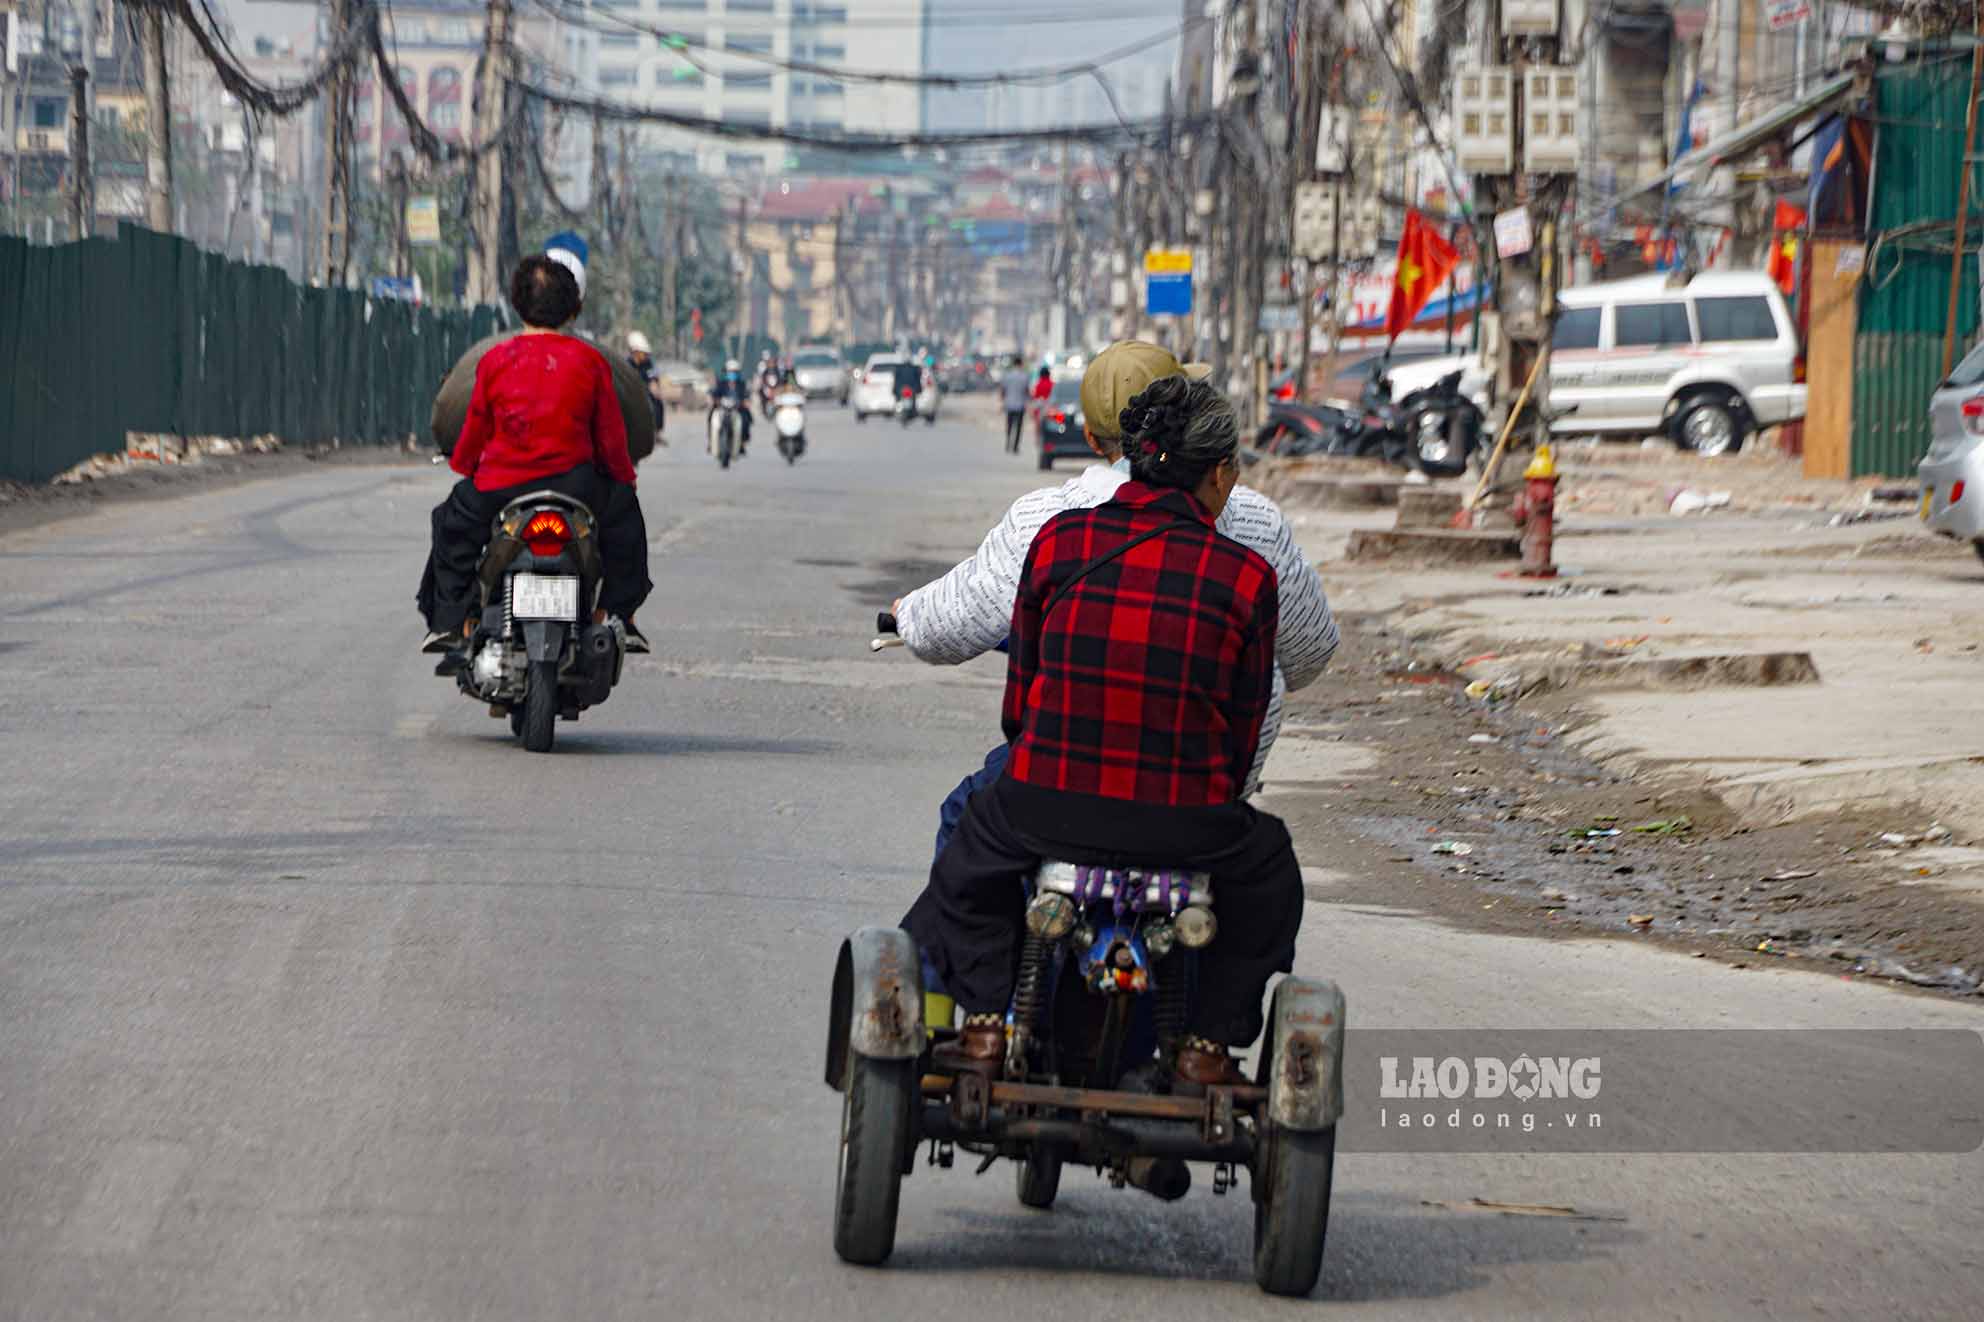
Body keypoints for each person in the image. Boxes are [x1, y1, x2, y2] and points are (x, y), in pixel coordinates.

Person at [904, 375, 1304, 1090]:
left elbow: (1020, 706)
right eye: (1234, 468)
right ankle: (1206, 1045)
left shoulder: (1058, 541)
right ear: (1216, 477)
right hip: (1189, 826)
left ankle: (988, 1026)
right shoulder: (1247, 576)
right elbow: (1244, 736)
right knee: (1271, 874)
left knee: (962, 872)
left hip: (1045, 807)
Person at [895, 340, 1339, 859]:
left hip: (1053, 792)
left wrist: (907, 616)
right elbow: (1305, 654)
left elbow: (965, 636)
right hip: (1199, 799)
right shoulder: (1251, 534)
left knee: (965, 821)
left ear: (1091, 436)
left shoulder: (1051, 526)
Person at [420, 254, 652, 660]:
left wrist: (466, 468)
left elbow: (473, 436)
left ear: (517, 303)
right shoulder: (591, 362)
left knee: (450, 524)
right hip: (576, 485)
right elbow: (612, 442)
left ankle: (451, 621)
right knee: (625, 520)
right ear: (573, 307)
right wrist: (622, 482)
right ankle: (617, 614)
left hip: (499, 487)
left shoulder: (494, 360)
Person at [626, 331, 665, 442]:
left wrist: (654, 387)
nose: (645, 355)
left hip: (646, 391)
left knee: (658, 403)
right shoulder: (627, 364)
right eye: (643, 353)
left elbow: (653, 378)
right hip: (632, 392)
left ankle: (657, 431)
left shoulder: (648, 363)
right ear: (635, 352)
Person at [710, 358, 753, 454]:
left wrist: (745, 401)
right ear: (726, 372)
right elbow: (715, 393)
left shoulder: (741, 384)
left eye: (734, 371)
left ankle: (742, 442)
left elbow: (746, 395)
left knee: (746, 419)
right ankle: (711, 440)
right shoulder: (721, 383)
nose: (731, 373)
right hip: (722, 407)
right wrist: (715, 399)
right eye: (729, 371)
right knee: (711, 416)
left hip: (737, 408)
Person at [998, 355, 1029, 454]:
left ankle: (1008, 444)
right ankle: (1015, 447)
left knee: (1009, 425)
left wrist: (1003, 401)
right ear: (1021, 364)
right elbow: (1026, 391)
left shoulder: (1008, 375)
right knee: (1018, 427)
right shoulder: (1024, 376)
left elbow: (1003, 390)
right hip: (1020, 405)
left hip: (1009, 404)